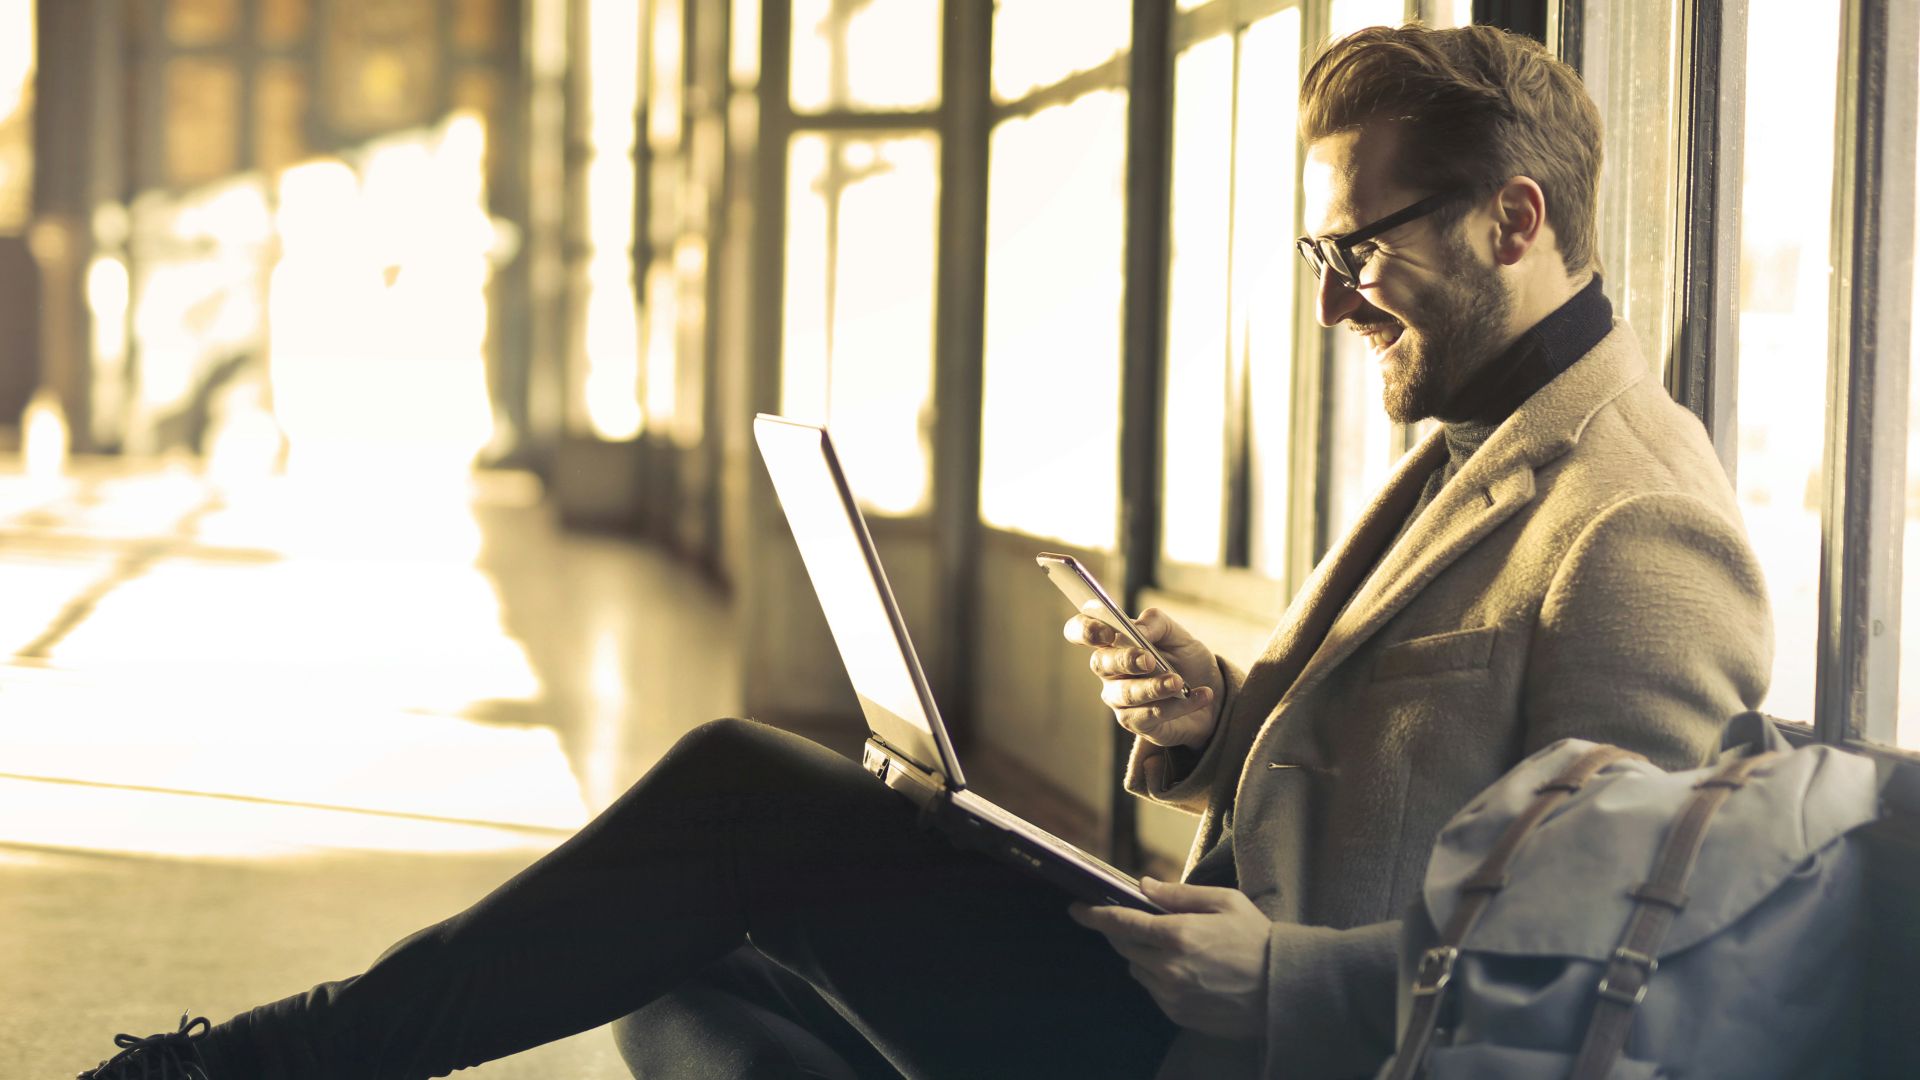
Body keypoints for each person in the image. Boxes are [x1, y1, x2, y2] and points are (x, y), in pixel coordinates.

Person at [76, 23, 1770, 1080]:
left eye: (1360, 250)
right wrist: (1219, 722)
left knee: (744, 795)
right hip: (1192, 985)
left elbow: (1613, 986)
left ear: (1515, 220)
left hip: (1259, 1048)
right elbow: (1415, 784)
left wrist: (1289, 982)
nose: (1330, 301)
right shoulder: (1475, 435)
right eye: (1318, 254)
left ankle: (248, 1076)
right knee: (681, 981)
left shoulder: (1638, 524)